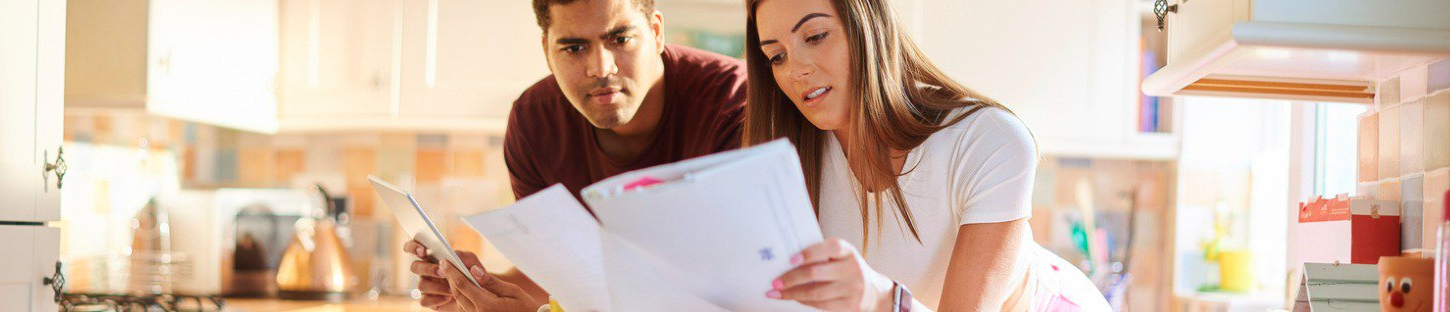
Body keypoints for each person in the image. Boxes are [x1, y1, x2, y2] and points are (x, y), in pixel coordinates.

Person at [745, 0, 1112, 310]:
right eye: (776, 56)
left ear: (868, 26)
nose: (796, 70)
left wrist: (880, 296)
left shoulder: (989, 141)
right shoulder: (789, 166)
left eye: (816, 36)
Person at [403, 0, 749, 310]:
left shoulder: (734, 106)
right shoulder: (534, 121)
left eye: (620, 39)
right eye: (574, 47)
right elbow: (562, 275)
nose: (601, 68)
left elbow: (729, 291)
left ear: (656, 32)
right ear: (546, 51)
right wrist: (475, 288)